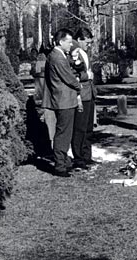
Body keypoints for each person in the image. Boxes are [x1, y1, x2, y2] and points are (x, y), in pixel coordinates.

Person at [43, 28, 82, 177]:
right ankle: (60, 166)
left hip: (64, 99)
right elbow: (67, 77)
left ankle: (64, 161)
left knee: (65, 132)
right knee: (63, 133)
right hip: (63, 100)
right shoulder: (57, 57)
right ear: (60, 42)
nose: (71, 45)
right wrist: (79, 85)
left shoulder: (58, 55)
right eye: (69, 42)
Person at [70, 27, 97, 170]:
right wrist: (87, 76)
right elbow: (72, 75)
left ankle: (87, 156)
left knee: (88, 128)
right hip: (81, 95)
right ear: (79, 39)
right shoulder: (73, 52)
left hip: (89, 94)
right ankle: (78, 158)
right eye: (87, 42)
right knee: (79, 128)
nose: (89, 45)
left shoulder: (84, 53)